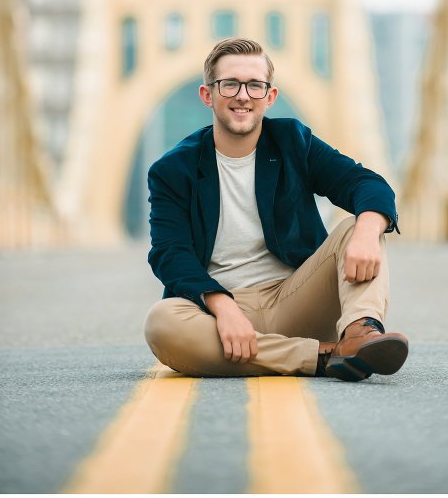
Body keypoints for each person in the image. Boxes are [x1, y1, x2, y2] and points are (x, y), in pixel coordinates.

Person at [144, 37, 408, 382]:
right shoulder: (172, 170)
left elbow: (364, 183)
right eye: (230, 84)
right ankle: (324, 356)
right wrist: (223, 308)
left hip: (297, 298)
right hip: (218, 316)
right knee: (161, 323)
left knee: (357, 226)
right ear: (208, 95)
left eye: (255, 85)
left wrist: (368, 231)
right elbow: (169, 252)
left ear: (270, 97)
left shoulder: (293, 142)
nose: (243, 95)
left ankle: (360, 332)